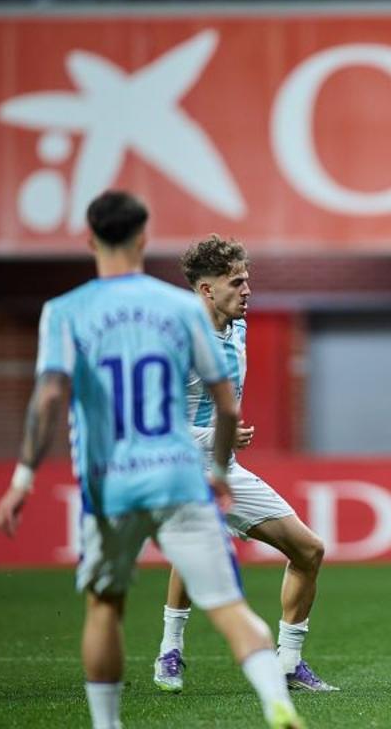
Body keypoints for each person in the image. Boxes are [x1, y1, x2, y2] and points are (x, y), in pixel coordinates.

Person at [0, 191, 304, 729]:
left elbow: (47, 397)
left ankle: (109, 722)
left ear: (89, 240)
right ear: (143, 238)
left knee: (105, 607)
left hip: (110, 478)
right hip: (180, 469)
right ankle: (276, 701)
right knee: (228, 604)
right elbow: (226, 402)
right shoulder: (179, 309)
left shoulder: (64, 312)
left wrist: (22, 478)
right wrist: (221, 467)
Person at [153, 235, 337, 694]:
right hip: (180, 465)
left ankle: (288, 664)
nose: (247, 290)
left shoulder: (237, 327)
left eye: (248, 280)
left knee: (309, 550)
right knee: (200, 542)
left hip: (224, 466)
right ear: (206, 290)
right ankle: (169, 652)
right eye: (236, 283)